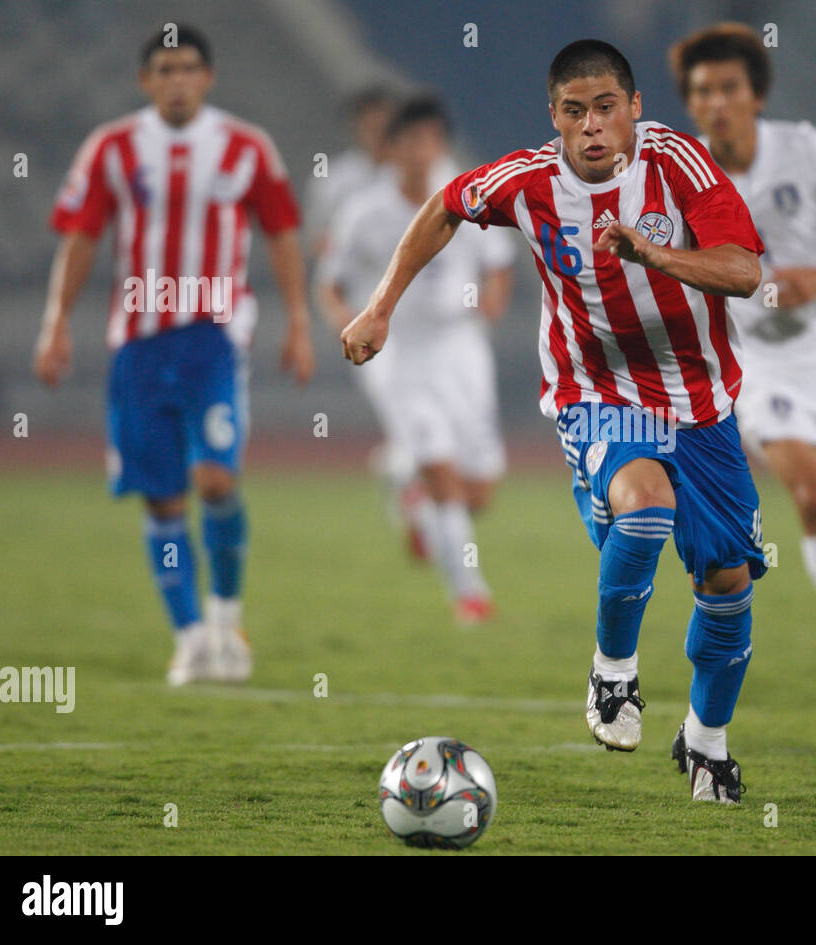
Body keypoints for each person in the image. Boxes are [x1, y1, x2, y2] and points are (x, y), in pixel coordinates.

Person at [341, 39, 767, 803]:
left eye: (607, 107)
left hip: (703, 406)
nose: (593, 126)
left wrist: (655, 255)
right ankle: (613, 675)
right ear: (555, 118)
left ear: (635, 109)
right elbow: (445, 206)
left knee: (728, 581)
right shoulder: (529, 181)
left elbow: (744, 269)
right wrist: (380, 307)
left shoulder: (681, 165)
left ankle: (707, 743)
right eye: (576, 112)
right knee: (646, 509)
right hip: (595, 392)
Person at [35, 26, 316, 685]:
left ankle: (226, 619)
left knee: (215, 478)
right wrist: (56, 321)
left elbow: (280, 232)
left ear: (209, 77)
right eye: (164, 68)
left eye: (189, 67)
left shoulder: (247, 147)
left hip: (213, 335)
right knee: (161, 499)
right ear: (146, 81)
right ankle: (190, 637)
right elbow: (80, 237)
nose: (177, 79)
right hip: (136, 341)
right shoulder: (112, 147)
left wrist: (299, 320)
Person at [671, 23, 816, 706]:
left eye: (729, 88)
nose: (717, 103)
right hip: (757, 362)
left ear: (757, 95)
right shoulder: (684, 179)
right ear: (691, 103)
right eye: (703, 91)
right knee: (809, 495)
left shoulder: (809, 150)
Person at [316, 96, 515, 622]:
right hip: (401, 350)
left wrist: (494, 295)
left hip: (463, 346)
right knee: (443, 475)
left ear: (441, 145)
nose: (420, 152)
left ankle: (403, 477)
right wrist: (351, 323)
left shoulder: (469, 195)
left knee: (479, 489)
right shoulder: (366, 210)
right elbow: (329, 282)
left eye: (430, 140)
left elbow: (499, 261)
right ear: (391, 148)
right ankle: (469, 594)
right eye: (409, 141)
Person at [305, 85, 396, 258]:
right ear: (356, 127)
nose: (378, 135)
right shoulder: (332, 176)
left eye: (384, 127)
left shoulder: (419, 174)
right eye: (371, 127)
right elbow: (317, 236)